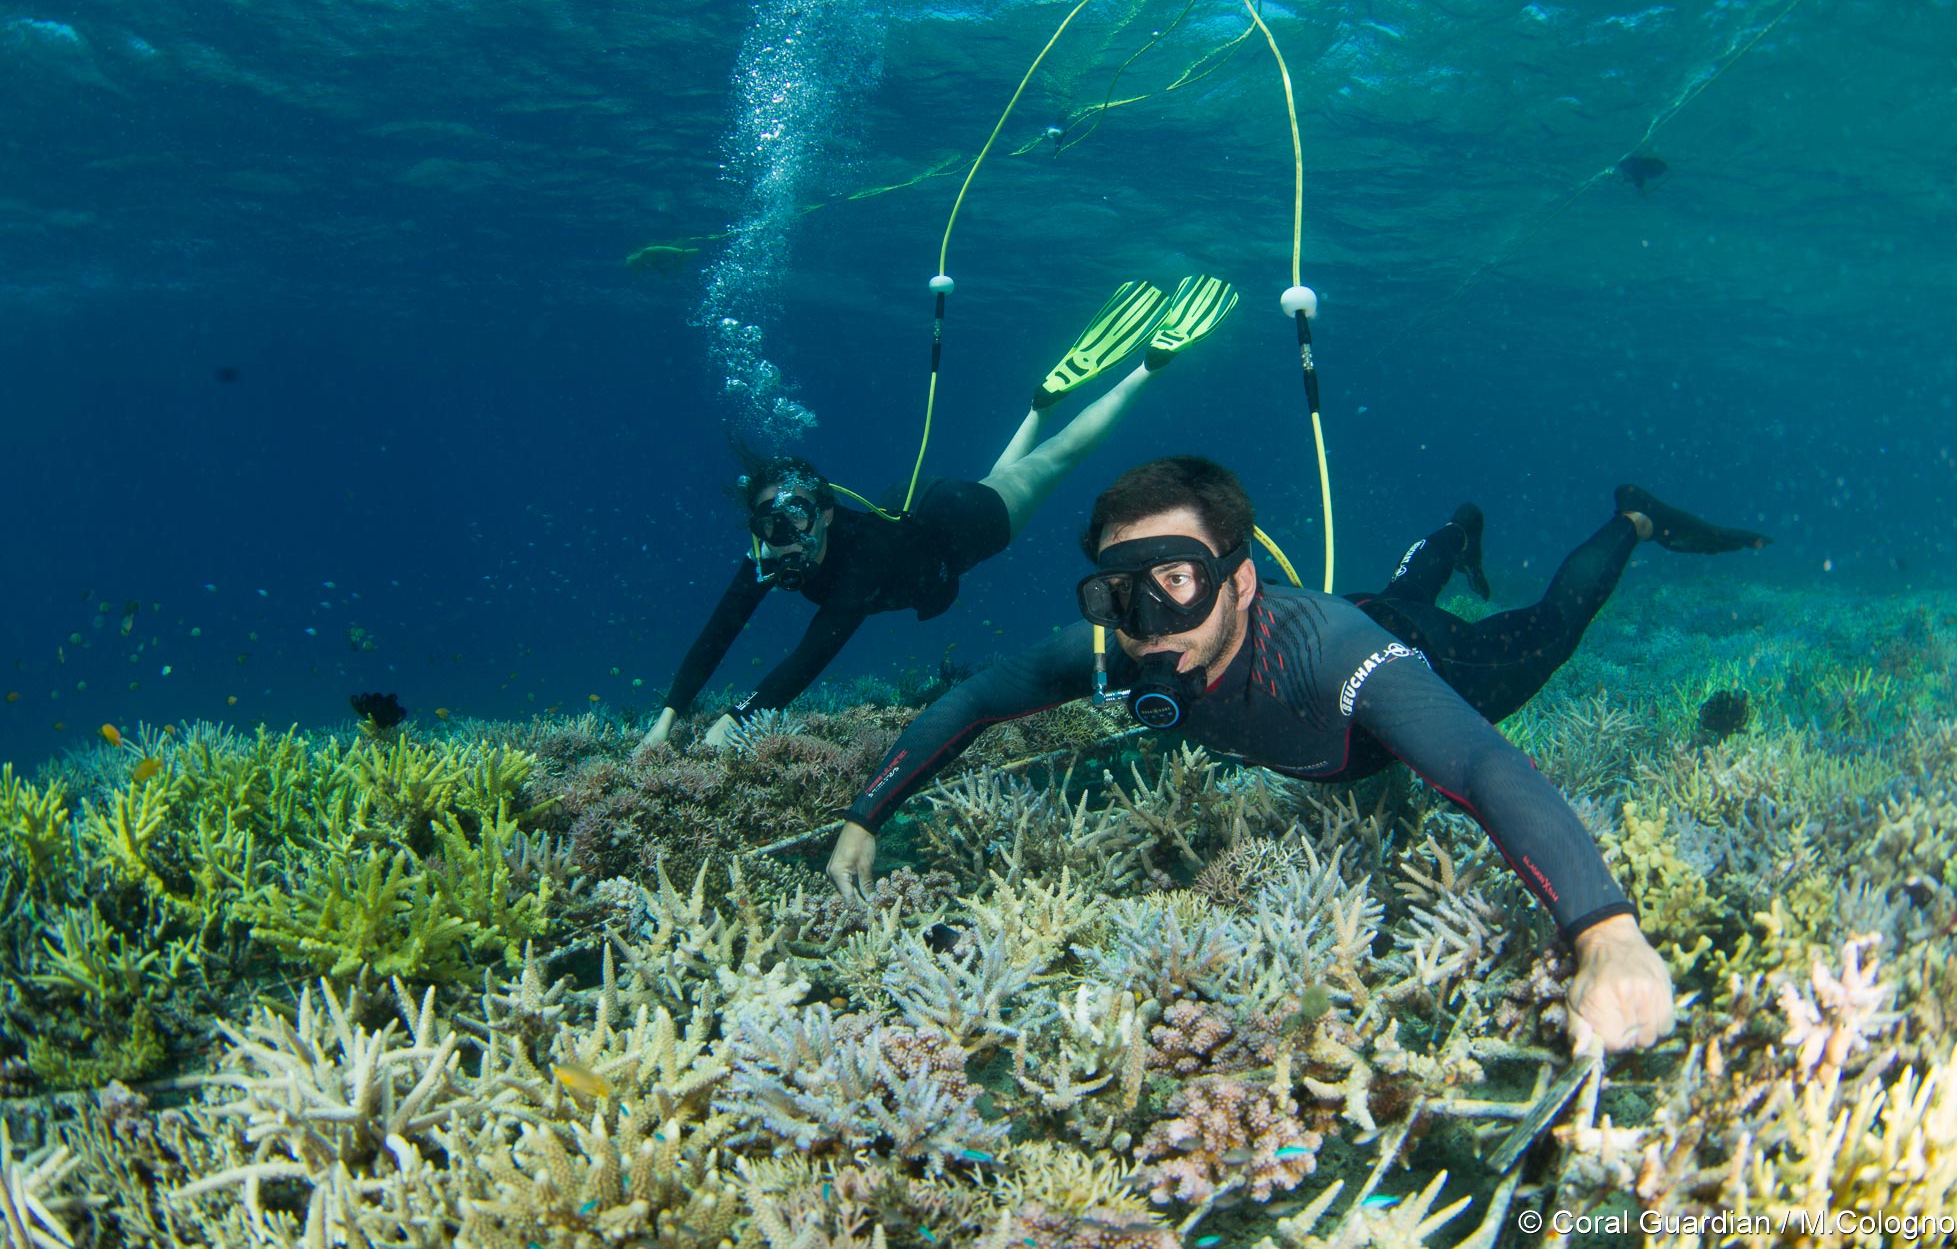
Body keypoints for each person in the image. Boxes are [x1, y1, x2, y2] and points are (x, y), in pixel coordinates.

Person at [825, 456, 1772, 1054]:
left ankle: (1634, 520)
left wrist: (1603, 930)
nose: (1150, 628)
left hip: (1418, 655)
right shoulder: (1116, 651)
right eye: (1121, 595)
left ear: (1239, 580)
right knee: (1405, 581)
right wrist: (867, 815)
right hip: (1370, 609)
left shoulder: (1334, 657)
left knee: (1549, 630)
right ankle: (1457, 527)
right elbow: (975, 700)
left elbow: (1484, 769)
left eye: (1177, 584)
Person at [639, 277, 1240, 751]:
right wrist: (666, 720)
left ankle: (1148, 366)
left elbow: (812, 653)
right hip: (926, 508)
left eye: (793, 524)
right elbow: (719, 630)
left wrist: (745, 718)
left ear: (824, 515)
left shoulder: (859, 564)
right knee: (1009, 474)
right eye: (767, 527)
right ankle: (1042, 401)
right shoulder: (770, 554)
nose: (779, 542)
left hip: (965, 525)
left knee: (1060, 457)